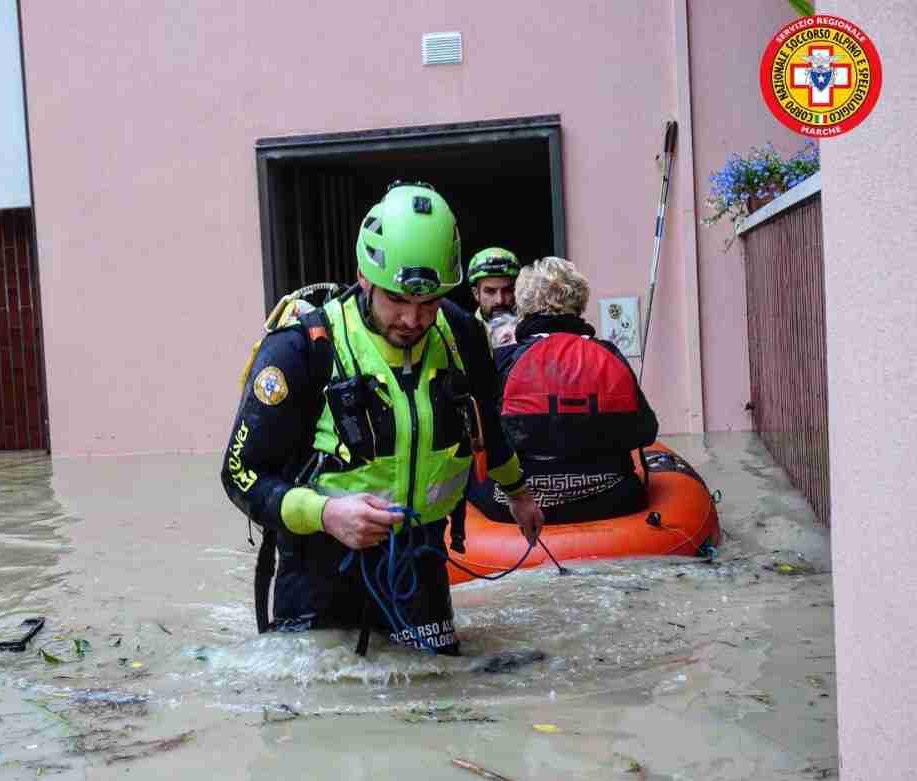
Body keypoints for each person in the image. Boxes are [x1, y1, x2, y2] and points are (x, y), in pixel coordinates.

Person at [220, 182, 544, 655]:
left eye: (429, 302)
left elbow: (483, 424)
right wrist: (326, 513)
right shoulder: (300, 351)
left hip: (419, 562)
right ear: (365, 277)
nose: (413, 319)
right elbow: (239, 473)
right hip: (318, 572)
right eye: (398, 299)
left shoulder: (460, 334)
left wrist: (518, 493)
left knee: (444, 709)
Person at [467, 257, 659, 525]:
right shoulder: (610, 354)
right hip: (612, 498)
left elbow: (483, 438)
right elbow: (646, 432)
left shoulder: (502, 360)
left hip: (517, 507)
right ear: (579, 302)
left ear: (523, 304)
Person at [467, 247, 522, 323]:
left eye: (508, 290)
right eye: (490, 291)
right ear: (476, 293)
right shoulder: (463, 332)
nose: (500, 300)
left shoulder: (533, 329)